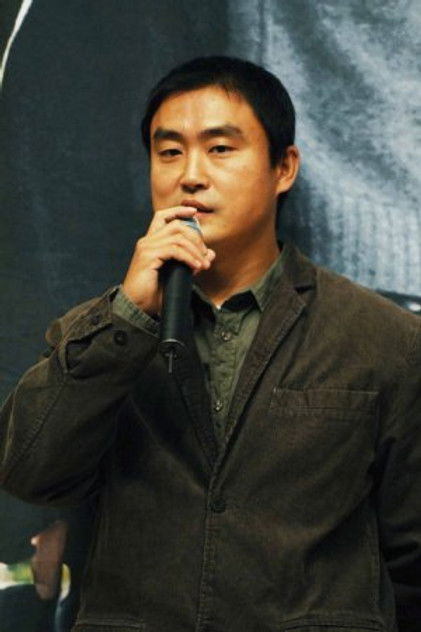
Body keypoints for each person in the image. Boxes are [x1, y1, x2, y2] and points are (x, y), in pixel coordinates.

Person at [0, 56, 420, 632]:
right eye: (169, 152)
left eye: (220, 148)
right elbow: (30, 472)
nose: (190, 175)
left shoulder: (381, 338)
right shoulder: (101, 331)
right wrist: (130, 315)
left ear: (284, 167)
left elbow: (412, 554)